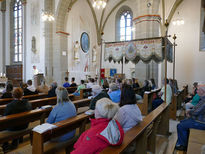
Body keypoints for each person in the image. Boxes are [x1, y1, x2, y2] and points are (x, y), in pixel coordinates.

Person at [175, 87, 205, 151]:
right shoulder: (202, 99)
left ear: (203, 91)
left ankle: (183, 145)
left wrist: (189, 112)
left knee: (180, 126)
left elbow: (197, 111)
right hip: (198, 119)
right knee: (182, 122)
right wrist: (191, 111)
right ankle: (184, 140)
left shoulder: (204, 100)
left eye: (199, 90)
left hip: (200, 122)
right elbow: (196, 108)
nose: (197, 91)